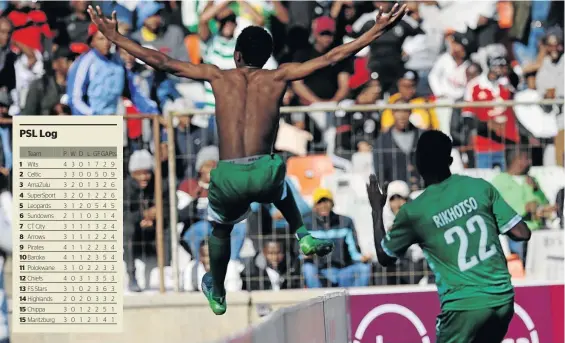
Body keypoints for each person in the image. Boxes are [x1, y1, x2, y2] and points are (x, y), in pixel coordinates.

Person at [88, 3, 408, 315]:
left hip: (228, 175)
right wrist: (376, 30)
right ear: (267, 57)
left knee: (220, 230)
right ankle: (303, 233)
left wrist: (117, 38)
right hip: (264, 172)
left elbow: (162, 61)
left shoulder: (217, 76)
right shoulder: (278, 77)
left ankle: (217, 286)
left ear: (235, 54)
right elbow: (333, 56)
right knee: (279, 181)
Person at [367, 130, 532, 343]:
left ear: (418, 162)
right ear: (450, 160)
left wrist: (376, 210)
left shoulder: (415, 212)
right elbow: (522, 233)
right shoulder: (479, 187)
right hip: (502, 300)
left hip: (462, 307)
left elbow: (384, 256)